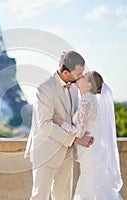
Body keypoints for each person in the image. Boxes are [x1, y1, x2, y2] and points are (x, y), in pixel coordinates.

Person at [24, 51, 94, 200]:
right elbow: (44, 125)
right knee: (40, 197)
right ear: (66, 72)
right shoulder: (44, 89)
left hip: (67, 153)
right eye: (79, 73)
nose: (82, 76)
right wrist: (74, 139)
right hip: (45, 152)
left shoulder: (75, 88)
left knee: (64, 197)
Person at [53, 71, 124, 199]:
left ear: (88, 85)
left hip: (89, 154)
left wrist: (60, 122)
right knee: (93, 189)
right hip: (93, 152)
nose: (79, 78)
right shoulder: (93, 100)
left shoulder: (86, 100)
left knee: (89, 189)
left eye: (82, 78)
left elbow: (80, 132)